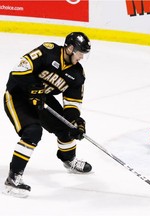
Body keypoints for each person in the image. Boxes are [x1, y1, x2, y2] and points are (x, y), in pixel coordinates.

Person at [3, 32, 92, 198]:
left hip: (41, 99)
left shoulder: (77, 74)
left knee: (68, 127)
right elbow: (18, 71)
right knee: (33, 132)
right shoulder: (47, 51)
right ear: (70, 48)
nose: (81, 57)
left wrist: (75, 121)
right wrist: (32, 87)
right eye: (80, 53)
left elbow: (72, 104)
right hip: (18, 95)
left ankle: (69, 160)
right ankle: (13, 179)